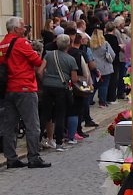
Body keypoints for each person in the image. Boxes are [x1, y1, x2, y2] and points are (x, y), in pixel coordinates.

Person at [1, 17, 50, 168]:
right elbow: (37, 61)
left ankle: (11, 158)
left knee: (9, 126)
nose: (25, 29)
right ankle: (33, 157)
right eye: (23, 26)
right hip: (25, 87)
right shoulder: (21, 42)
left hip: (8, 88)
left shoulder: (2, 44)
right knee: (32, 124)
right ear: (16, 29)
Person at [39, 33, 78, 151]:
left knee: (45, 114)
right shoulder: (71, 59)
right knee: (60, 115)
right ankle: (59, 143)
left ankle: (37, 140)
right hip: (61, 88)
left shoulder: (49, 55)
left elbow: (40, 71)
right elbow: (74, 78)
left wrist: (45, 81)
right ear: (69, 45)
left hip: (47, 87)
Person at [89, 28, 114, 107]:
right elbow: (112, 54)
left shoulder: (90, 44)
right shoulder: (105, 44)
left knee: (94, 85)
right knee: (104, 85)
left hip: (94, 66)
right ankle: (102, 102)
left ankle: (89, 100)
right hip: (105, 67)